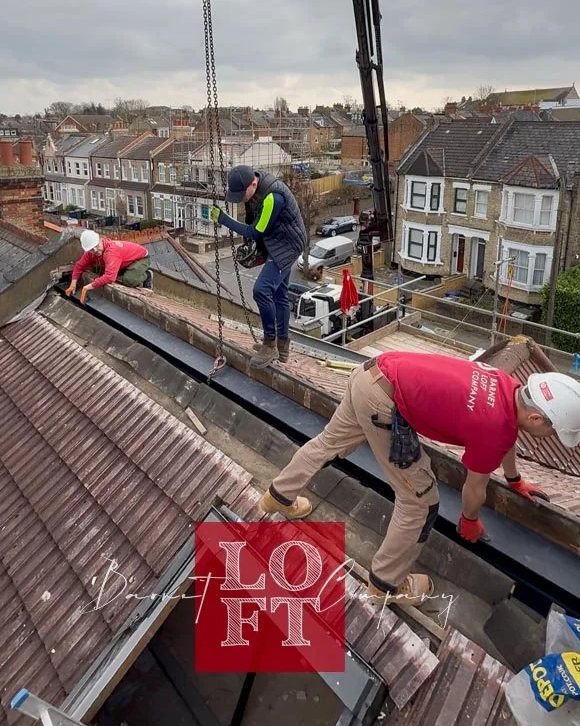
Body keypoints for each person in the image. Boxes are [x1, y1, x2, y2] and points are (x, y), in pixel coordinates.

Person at [259, 352, 580, 608]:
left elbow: (509, 436)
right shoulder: (494, 426)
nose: (551, 435)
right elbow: (474, 486)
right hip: (384, 403)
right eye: (553, 430)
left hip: (371, 373)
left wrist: (514, 479)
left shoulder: (507, 384)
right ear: (536, 417)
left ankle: (278, 496)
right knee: (420, 501)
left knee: (328, 443)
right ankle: (385, 584)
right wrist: (469, 519)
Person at [210, 164, 307, 369]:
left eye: (242, 194)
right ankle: (282, 346)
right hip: (279, 239)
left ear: (253, 184)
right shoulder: (257, 186)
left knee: (262, 290)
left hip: (287, 246)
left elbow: (255, 232)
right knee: (280, 294)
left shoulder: (273, 198)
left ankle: (270, 345)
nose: (241, 199)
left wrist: (223, 219)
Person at [65, 230, 153, 303]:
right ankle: (128, 272)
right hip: (124, 261)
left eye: (96, 246)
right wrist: (73, 284)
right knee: (99, 272)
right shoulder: (90, 253)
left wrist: (87, 287)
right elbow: (79, 266)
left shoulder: (111, 252)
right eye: (91, 249)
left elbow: (110, 277)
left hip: (140, 259)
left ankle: (147, 275)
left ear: (100, 240)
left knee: (128, 280)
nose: (95, 250)